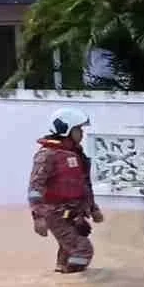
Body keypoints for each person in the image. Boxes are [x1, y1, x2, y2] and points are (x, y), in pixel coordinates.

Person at [28, 107, 104, 273]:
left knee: (68, 251)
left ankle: (62, 280)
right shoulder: (47, 155)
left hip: (73, 212)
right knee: (83, 250)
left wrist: (93, 209)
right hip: (55, 213)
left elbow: (84, 184)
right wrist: (38, 218)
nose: (82, 133)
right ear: (66, 129)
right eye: (78, 129)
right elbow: (35, 188)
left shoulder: (76, 154)